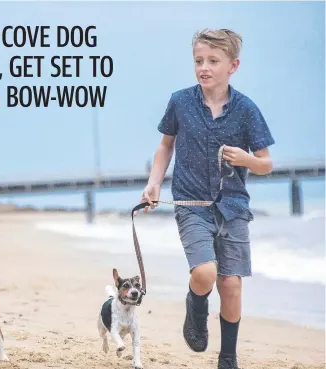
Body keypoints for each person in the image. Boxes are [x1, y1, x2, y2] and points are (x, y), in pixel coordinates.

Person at [140, 29, 275, 369]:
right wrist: (154, 184)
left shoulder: (246, 110)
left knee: (230, 285)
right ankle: (196, 309)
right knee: (203, 274)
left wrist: (246, 160)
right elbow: (165, 145)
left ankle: (228, 357)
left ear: (233, 66)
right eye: (199, 61)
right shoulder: (180, 101)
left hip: (233, 208)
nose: (204, 67)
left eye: (213, 61)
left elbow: (266, 163)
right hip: (191, 204)